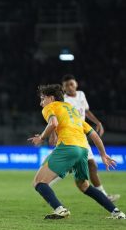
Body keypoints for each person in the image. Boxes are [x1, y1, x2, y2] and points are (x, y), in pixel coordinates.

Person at [28, 84, 125, 219]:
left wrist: (41, 138)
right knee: (84, 185)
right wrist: (103, 154)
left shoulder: (50, 107)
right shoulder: (73, 111)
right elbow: (94, 135)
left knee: (39, 182)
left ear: (51, 98)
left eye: (42, 98)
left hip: (68, 148)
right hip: (83, 150)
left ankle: (60, 209)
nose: (41, 103)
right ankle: (117, 212)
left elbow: (53, 123)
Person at [60, 74, 120, 202]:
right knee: (89, 166)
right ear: (63, 89)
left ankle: (103, 195)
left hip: (82, 134)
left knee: (92, 166)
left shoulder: (81, 95)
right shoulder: (64, 100)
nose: (70, 87)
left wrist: (97, 122)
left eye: (71, 84)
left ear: (76, 83)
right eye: (66, 86)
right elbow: (59, 119)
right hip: (72, 135)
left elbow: (86, 111)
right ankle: (45, 182)